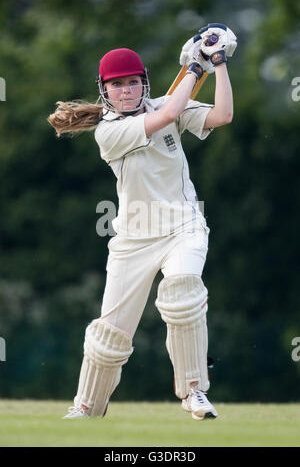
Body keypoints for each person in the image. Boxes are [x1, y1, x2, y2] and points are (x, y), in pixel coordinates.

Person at [48, 23, 236, 421]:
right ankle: (87, 407)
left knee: (183, 292)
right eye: (117, 85)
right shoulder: (110, 131)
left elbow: (222, 115)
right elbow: (169, 111)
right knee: (109, 336)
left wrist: (217, 64)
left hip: (182, 225)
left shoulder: (165, 104)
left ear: (144, 83)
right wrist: (193, 67)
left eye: (134, 82)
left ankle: (193, 392)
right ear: (105, 91)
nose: (127, 90)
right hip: (133, 239)